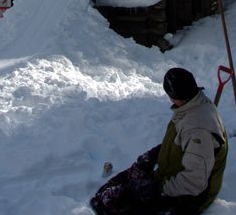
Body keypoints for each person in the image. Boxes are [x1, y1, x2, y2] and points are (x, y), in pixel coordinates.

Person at [90, 68, 228, 215]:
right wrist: (154, 155)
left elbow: (194, 182)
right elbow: (182, 143)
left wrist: (157, 189)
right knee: (121, 185)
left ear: (174, 96)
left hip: (192, 197)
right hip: (172, 175)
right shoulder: (192, 104)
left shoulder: (197, 128)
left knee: (116, 205)